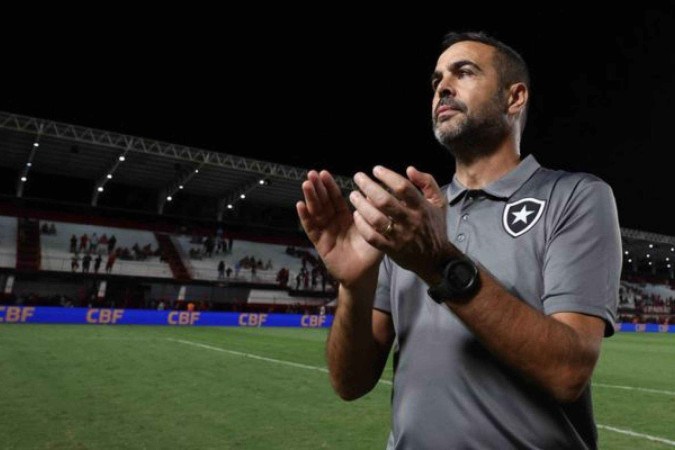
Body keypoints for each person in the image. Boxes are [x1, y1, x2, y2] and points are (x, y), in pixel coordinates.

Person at [296, 31, 621, 449]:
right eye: (436, 81)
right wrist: (354, 286)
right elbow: (349, 382)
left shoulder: (574, 197)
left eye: (464, 72)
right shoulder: (409, 220)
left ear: (515, 97)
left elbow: (568, 371)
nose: (442, 88)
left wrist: (438, 262)